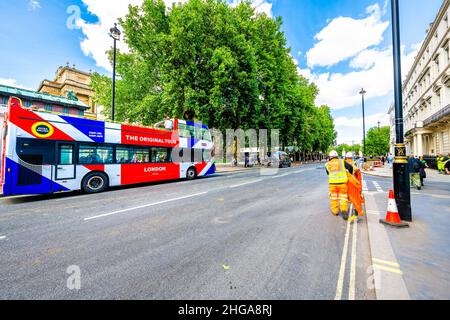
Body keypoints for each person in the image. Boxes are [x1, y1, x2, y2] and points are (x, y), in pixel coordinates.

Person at [325, 150, 353, 221]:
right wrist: (350, 174)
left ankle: (335, 212)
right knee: (343, 197)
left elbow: (328, 173)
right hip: (342, 183)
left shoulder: (327, 164)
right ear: (337, 156)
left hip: (332, 184)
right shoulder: (342, 161)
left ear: (330, 157)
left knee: (333, 198)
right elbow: (350, 167)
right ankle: (344, 210)